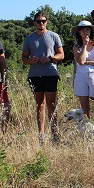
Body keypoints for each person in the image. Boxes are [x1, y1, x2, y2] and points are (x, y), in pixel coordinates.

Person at [22, 11, 64, 142]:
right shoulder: (29, 38)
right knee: (40, 104)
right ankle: (41, 135)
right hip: (35, 75)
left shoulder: (54, 36)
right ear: (34, 23)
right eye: (39, 21)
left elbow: (61, 55)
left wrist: (51, 59)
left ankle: (55, 134)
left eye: (44, 21)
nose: (41, 23)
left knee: (51, 104)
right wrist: (31, 60)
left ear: (47, 22)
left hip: (50, 74)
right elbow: (24, 57)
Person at [71, 20, 94, 121]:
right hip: (81, 76)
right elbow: (81, 61)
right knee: (84, 106)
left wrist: (88, 62)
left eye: (87, 29)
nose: (85, 32)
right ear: (79, 32)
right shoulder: (76, 47)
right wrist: (85, 45)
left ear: (91, 31)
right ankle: (86, 128)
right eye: (83, 30)